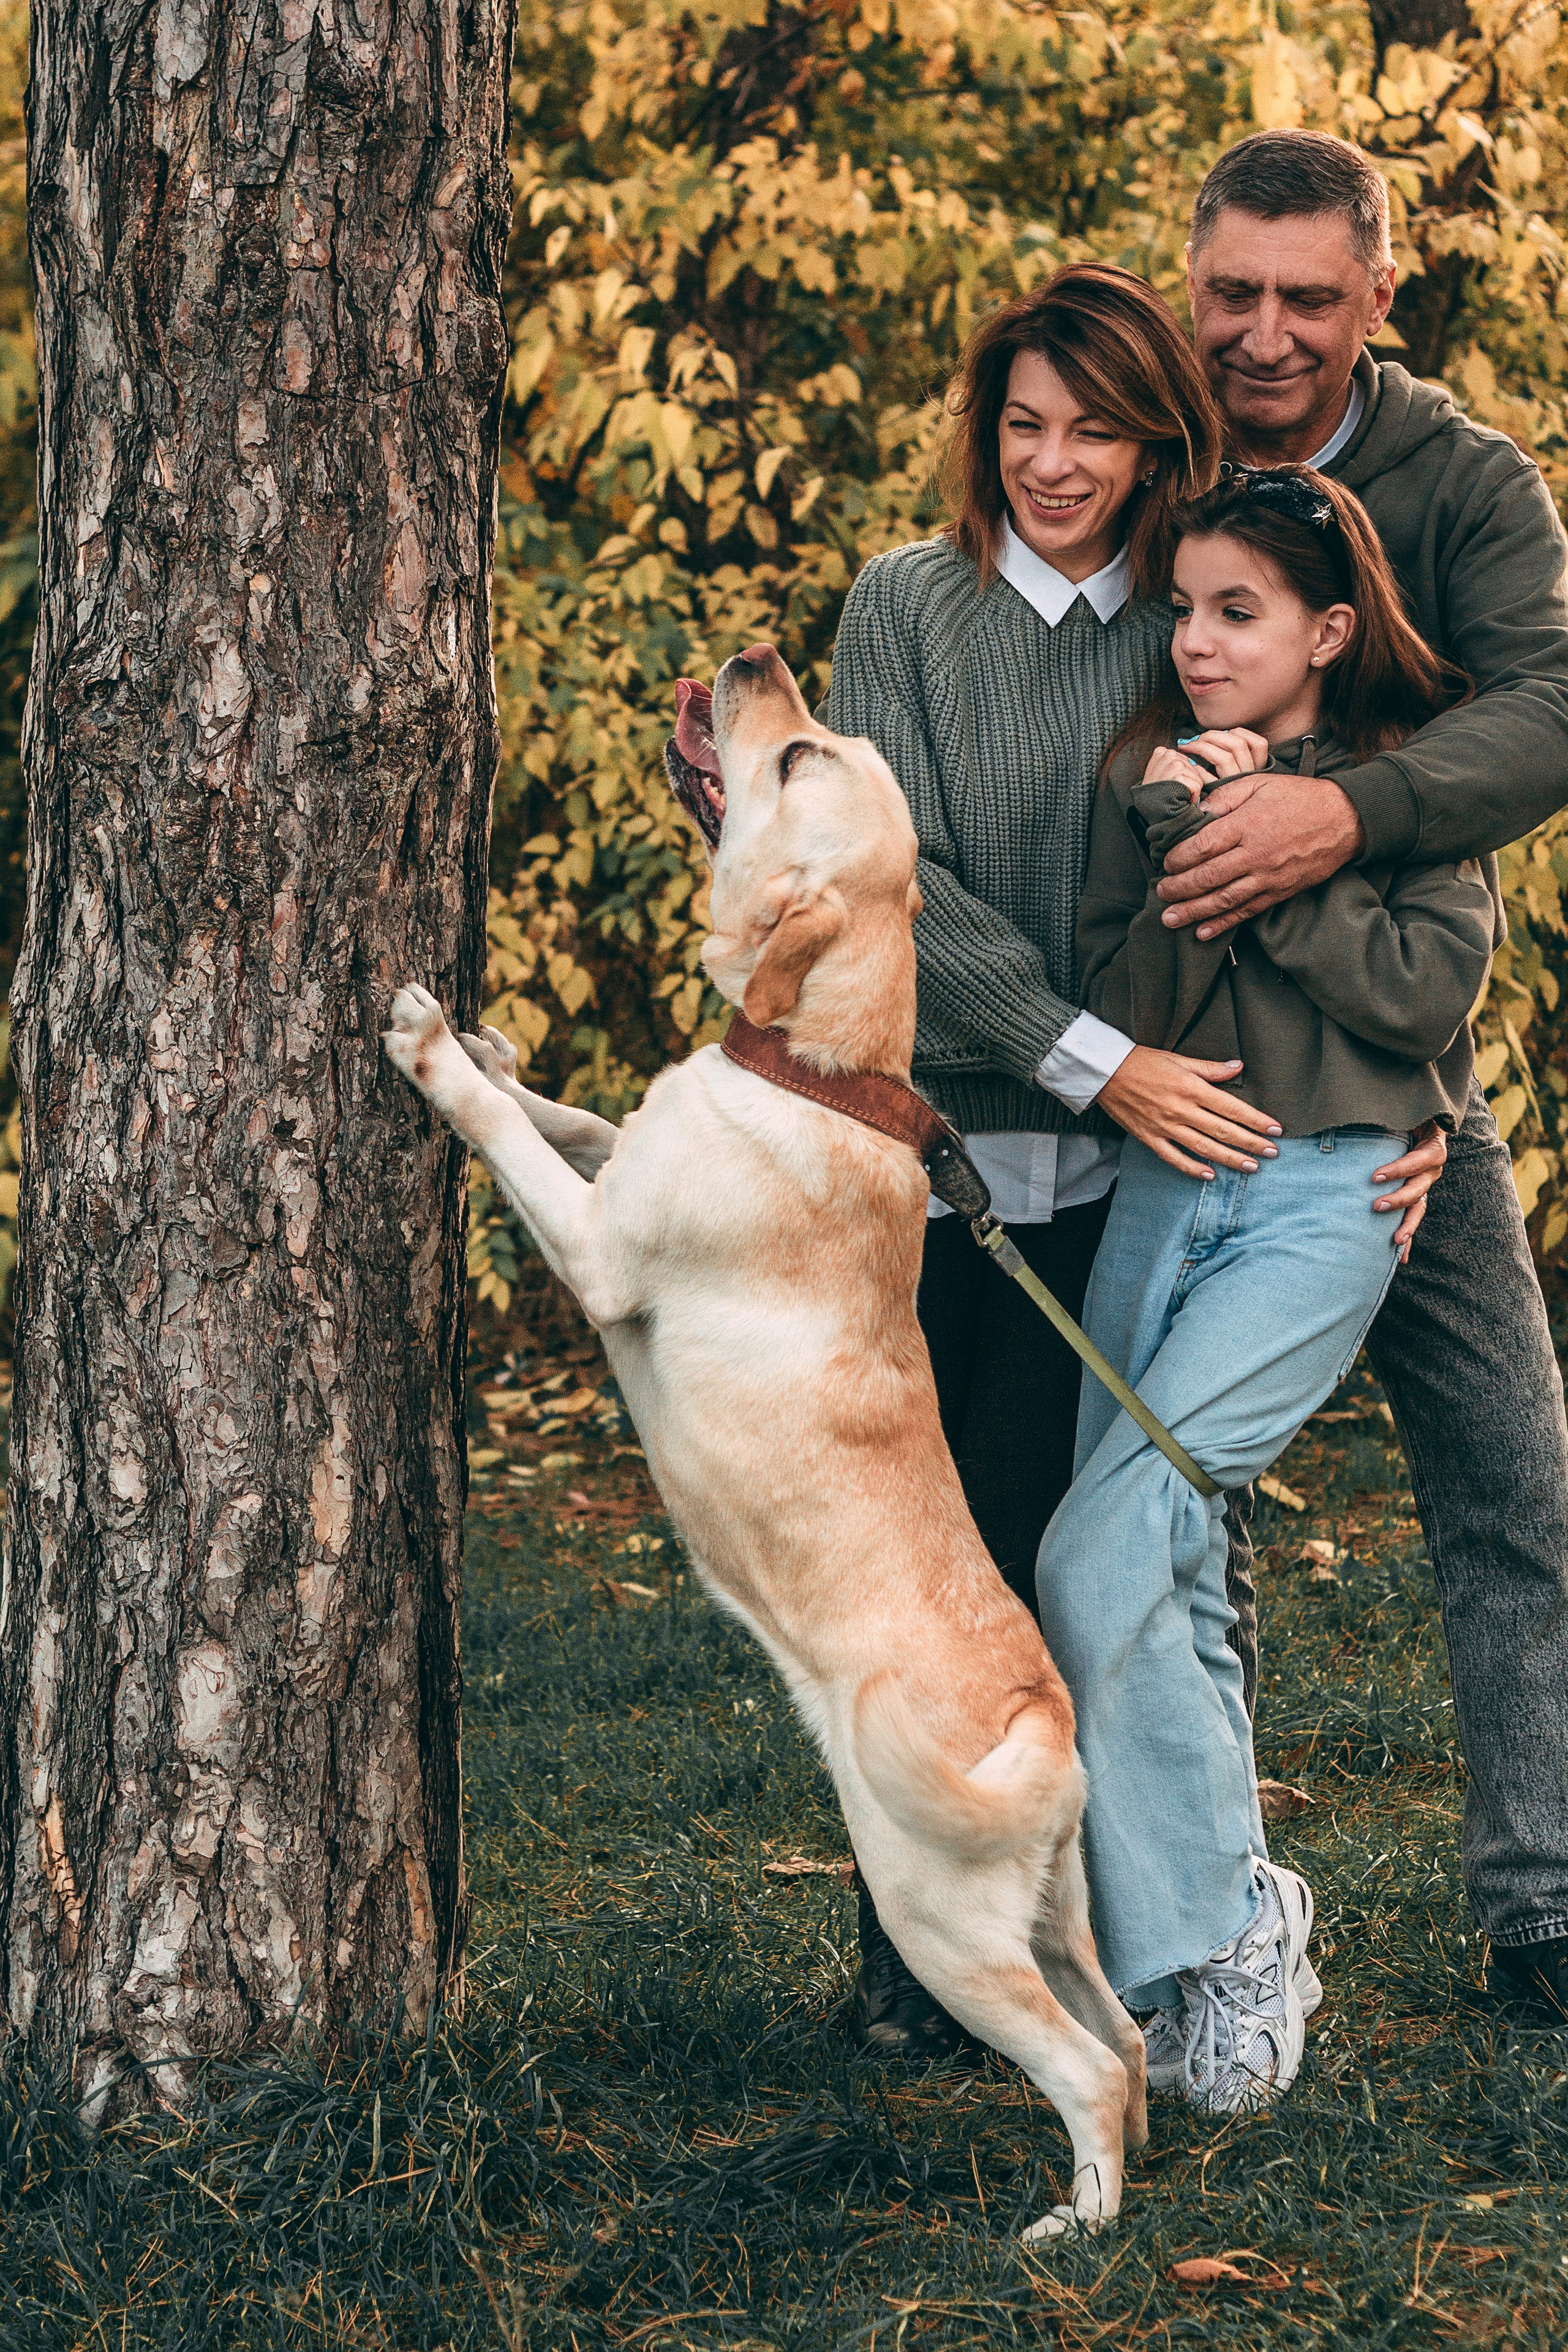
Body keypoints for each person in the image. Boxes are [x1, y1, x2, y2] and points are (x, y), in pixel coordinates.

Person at [820, 261, 1441, 2056]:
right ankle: (920, 1955)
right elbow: (898, 879)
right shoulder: (907, 606)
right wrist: (1095, 1062)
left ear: (1157, 441)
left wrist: (1416, 1103)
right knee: (920, 1572)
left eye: (1094, 429)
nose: (1053, 462)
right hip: (948, 1151)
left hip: (1141, 1179)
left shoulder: (1190, 627)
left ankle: (1148, 1947)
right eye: (1022, 424)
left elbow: (1352, 885)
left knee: (1116, 1554)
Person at [1156, 131, 1568, 2024]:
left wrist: (1344, 815)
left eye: (1307, 299)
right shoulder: (1137, 442)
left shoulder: (1462, 482)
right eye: (1231, 292)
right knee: (1171, 1488)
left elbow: (1550, 705)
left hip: (1402, 1075)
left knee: (1514, 1473)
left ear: (1377, 297)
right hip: (1175, 1076)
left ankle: (1545, 1901)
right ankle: (1208, 1911)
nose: (1263, 333)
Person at [1039, 462, 1493, 2111]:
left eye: (1240, 613)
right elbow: (1117, 995)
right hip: (1169, 1191)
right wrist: (1175, 822)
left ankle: (1214, 1941)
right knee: (1165, 1564)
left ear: (1331, 631)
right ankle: (1217, 1945)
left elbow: (1420, 998)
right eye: (1185, 609)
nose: (1199, 642)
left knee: (1096, 1546)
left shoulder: (1403, 787)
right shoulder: (1142, 773)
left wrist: (1266, 849)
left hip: (1327, 1202)